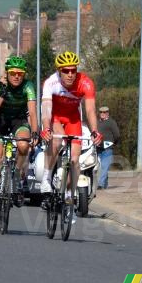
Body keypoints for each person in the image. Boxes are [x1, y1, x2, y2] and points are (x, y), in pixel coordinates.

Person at [39, 51, 102, 205]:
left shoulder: (85, 83)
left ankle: (68, 194)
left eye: (73, 70)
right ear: (59, 71)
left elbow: (90, 111)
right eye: (65, 71)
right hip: (55, 117)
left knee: (75, 160)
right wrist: (46, 128)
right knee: (57, 141)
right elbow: (46, 109)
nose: (70, 74)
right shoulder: (50, 83)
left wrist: (94, 131)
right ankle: (46, 178)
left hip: (73, 118)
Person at [0, 55, 39, 220]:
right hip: (0, 120)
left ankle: (17, 175)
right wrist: (2, 94)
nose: (16, 76)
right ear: (6, 73)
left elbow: (33, 112)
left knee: (23, 146)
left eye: (20, 73)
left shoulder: (28, 86)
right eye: (13, 73)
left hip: (18, 120)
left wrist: (35, 131)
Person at [96, 106, 120, 189]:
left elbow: (117, 134)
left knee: (105, 166)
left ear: (108, 113)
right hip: (98, 148)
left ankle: (101, 184)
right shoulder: (96, 123)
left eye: (105, 112)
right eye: (101, 112)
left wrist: (113, 143)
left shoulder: (111, 122)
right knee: (99, 167)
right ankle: (104, 184)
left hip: (108, 148)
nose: (102, 114)